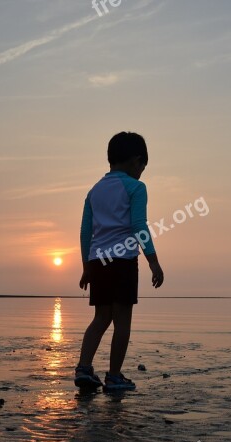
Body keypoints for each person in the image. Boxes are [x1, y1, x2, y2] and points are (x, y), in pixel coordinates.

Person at [75, 132, 164, 391]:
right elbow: (139, 226)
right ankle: (114, 375)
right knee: (122, 320)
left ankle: (84, 368)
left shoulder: (94, 190)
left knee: (101, 317)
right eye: (143, 167)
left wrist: (86, 267)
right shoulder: (136, 187)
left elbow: (84, 232)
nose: (142, 173)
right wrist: (153, 261)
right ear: (137, 161)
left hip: (98, 262)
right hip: (123, 261)